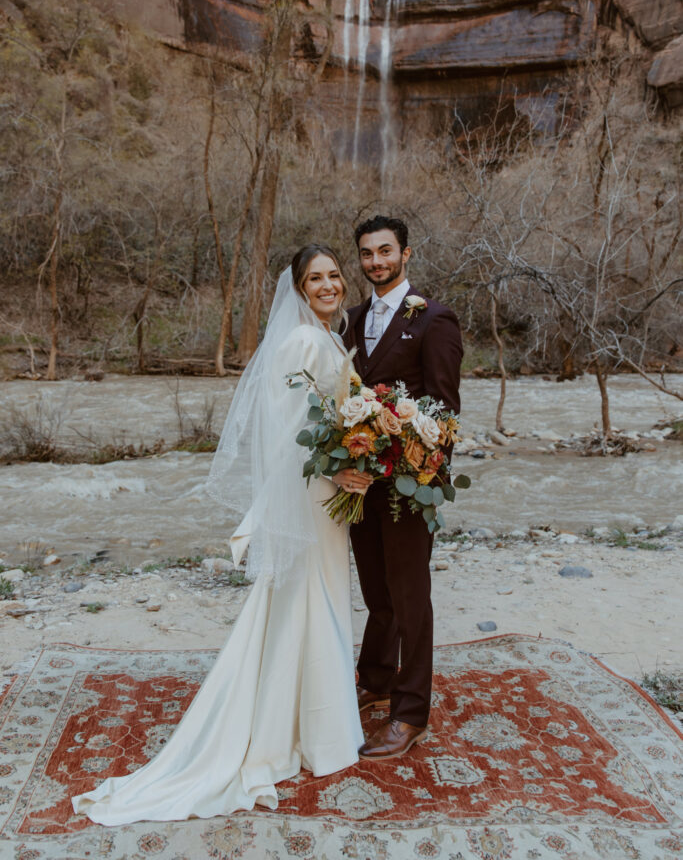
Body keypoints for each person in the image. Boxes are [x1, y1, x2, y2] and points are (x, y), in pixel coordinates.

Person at [71, 246, 363, 824]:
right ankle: (299, 733)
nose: (328, 285)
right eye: (315, 279)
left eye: (334, 275)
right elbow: (289, 431)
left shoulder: (327, 337)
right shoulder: (303, 342)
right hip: (316, 492)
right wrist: (338, 467)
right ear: (300, 289)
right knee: (309, 599)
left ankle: (311, 724)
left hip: (329, 493)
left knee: (315, 600)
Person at [338, 215, 462, 759]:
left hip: (411, 486)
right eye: (367, 254)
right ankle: (376, 676)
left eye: (385, 252)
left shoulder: (434, 319)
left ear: (406, 254)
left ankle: (410, 712)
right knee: (375, 592)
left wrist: (423, 476)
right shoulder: (350, 319)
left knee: (411, 600)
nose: (376, 262)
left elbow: (445, 410)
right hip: (361, 480)